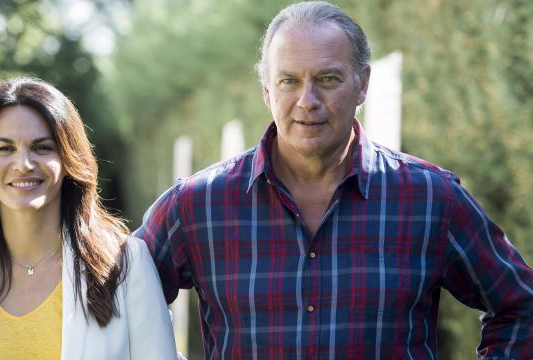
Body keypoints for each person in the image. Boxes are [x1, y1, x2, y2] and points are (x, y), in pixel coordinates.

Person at [133, 1, 533, 359]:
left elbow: (522, 306)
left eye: (327, 79)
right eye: (289, 80)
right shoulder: (196, 206)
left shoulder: (432, 199)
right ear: (267, 91)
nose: (308, 101)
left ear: (363, 84)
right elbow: (115, 303)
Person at [0, 77, 177, 360]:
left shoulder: (126, 264)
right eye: (5, 148)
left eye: (42, 147)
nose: (23, 164)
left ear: (69, 160)